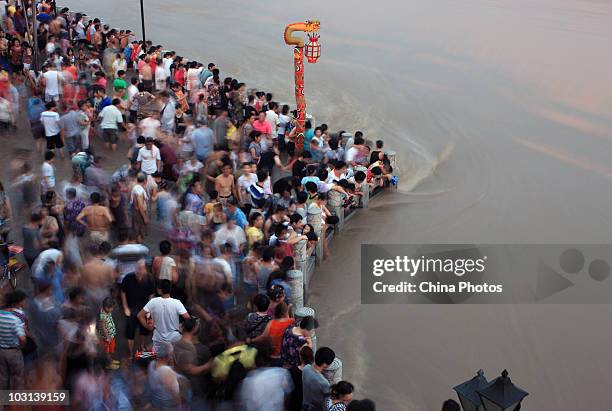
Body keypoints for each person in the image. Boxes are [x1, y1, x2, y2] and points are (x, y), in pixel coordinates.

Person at [138, 279, 190, 351]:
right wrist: (182, 328)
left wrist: (148, 327)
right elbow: (188, 319)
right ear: (170, 289)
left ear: (159, 290)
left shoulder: (153, 302)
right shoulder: (177, 303)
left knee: (154, 358)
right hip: (175, 339)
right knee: (174, 359)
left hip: (158, 339)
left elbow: (140, 316)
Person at [120, 259, 154, 356]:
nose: (139, 271)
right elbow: (122, 292)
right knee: (130, 331)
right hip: (131, 308)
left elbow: (151, 294)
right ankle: (130, 353)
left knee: (144, 329)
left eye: (142, 269)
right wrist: (125, 307)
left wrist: (149, 309)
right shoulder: (128, 278)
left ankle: (142, 347)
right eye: (138, 268)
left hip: (144, 308)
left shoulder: (149, 279)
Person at [0, 290, 27, 390]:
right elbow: (22, 338)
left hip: (1, 351)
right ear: (16, 302)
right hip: (13, 351)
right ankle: (15, 403)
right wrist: (21, 346)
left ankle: (3, 402)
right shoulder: (15, 319)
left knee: (3, 377)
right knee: (17, 378)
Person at [302, 347, 335, 411]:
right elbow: (327, 404)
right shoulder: (324, 382)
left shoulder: (306, 368)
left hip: (304, 406)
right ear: (325, 364)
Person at [98, 297, 120, 370]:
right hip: (106, 338)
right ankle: (109, 363)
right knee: (107, 351)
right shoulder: (103, 315)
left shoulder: (107, 311)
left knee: (110, 349)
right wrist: (107, 337)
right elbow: (103, 327)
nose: (112, 310)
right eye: (111, 308)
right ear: (106, 307)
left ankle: (111, 360)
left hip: (110, 336)